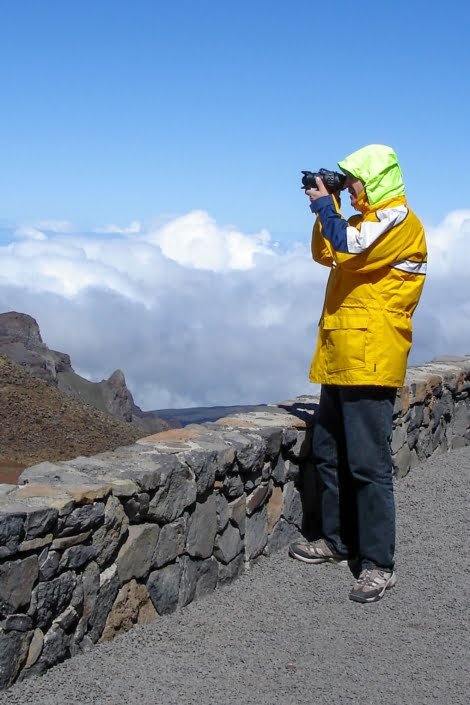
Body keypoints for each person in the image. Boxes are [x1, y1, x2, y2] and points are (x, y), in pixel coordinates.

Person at [289, 144, 427, 603]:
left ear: (377, 178)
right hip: (342, 354)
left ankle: (377, 565)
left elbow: (349, 246)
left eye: (353, 181)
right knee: (327, 451)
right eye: (344, 182)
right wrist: (321, 209)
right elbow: (325, 252)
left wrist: (326, 206)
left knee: (368, 465)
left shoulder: (397, 220)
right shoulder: (366, 221)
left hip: (371, 356)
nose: (349, 189)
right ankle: (336, 540)